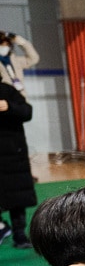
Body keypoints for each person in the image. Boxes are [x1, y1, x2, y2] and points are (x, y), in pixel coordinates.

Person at [0, 32, 36, 249]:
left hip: (13, 150)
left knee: (17, 195)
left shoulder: (9, 90)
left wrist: (9, 107)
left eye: (5, 44)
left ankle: (20, 234)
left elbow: (26, 111)